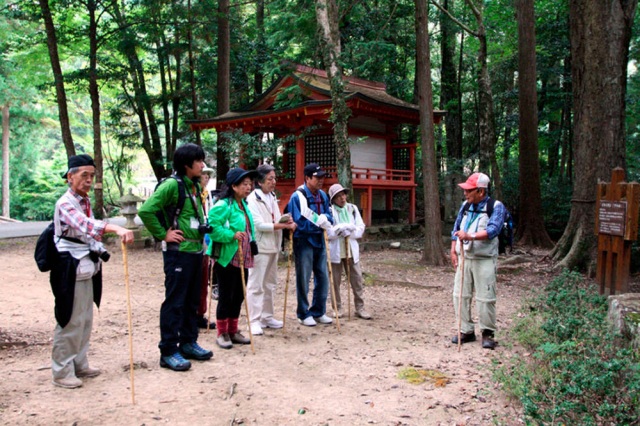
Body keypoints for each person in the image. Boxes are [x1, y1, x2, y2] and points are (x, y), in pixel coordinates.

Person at [50, 154, 134, 389]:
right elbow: (86, 225)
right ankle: (61, 370)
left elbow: (91, 234)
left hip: (86, 265)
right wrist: (115, 228)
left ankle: (79, 363)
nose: (88, 180)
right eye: (83, 175)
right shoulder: (65, 203)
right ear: (70, 177)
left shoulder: (85, 202)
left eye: (92, 176)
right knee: (69, 318)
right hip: (68, 267)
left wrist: (100, 246)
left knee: (85, 318)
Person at [138, 143, 213, 372]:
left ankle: (189, 343)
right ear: (185, 164)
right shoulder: (172, 185)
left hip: (195, 252)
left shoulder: (193, 185)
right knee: (175, 302)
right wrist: (164, 234)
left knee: (191, 301)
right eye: (199, 161)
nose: (202, 165)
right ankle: (169, 350)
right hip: (178, 254)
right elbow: (146, 210)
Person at [450, 172, 507, 350]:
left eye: (469, 190)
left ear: (481, 191)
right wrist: (453, 250)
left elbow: (493, 230)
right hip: (464, 257)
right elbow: (456, 228)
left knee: (486, 297)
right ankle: (466, 330)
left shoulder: (496, 207)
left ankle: (488, 333)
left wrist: (470, 236)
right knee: (460, 294)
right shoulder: (465, 206)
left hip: (484, 259)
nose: (465, 194)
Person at [207, 167, 258, 349]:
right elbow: (212, 228)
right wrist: (231, 235)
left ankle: (233, 330)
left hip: (243, 256)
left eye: (249, 184)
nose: (248, 187)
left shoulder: (243, 205)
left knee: (239, 295)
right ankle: (222, 332)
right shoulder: (223, 205)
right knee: (226, 295)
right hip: (226, 257)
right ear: (234, 186)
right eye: (244, 184)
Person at [246, 164, 297, 335]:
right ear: (260, 181)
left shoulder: (272, 196)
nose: (274, 182)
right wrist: (281, 225)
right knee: (256, 284)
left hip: (274, 245)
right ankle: (254, 320)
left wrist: (286, 221)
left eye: (274, 178)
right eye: (270, 179)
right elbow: (258, 224)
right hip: (260, 246)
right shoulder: (253, 199)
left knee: (270, 283)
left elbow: (276, 217)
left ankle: (267, 316)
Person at [287, 163, 335, 327]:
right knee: (304, 276)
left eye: (322, 177)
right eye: (317, 177)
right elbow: (299, 221)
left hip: (320, 240)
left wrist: (326, 221)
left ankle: (319, 310)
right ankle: (303, 312)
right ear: (307, 178)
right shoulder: (297, 197)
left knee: (323, 276)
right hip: (304, 241)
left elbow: (330, 214)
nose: (321, 180)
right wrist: (319, 224)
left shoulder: (323, 195)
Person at [327, 183, 372, 320]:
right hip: (336, 250)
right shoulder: (329, 211)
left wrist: (350, 231)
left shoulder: (352, 209)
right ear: (333, 199)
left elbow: (360, 227)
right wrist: (339, 230)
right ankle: (337, 308)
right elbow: (328, 232)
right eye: (338, 196)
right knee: (335, 281)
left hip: (351, 250)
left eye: (343, 195)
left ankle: (360, 307)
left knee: (357, 279)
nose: (342, 198)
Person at [196, 166, 216, 329]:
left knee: (204, 280)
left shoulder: (207, 194)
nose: (207, 177)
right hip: (191, 242)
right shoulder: (192, 194)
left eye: (208, 175)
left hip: (205, 242)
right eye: (204, 174)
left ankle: (200, 313)